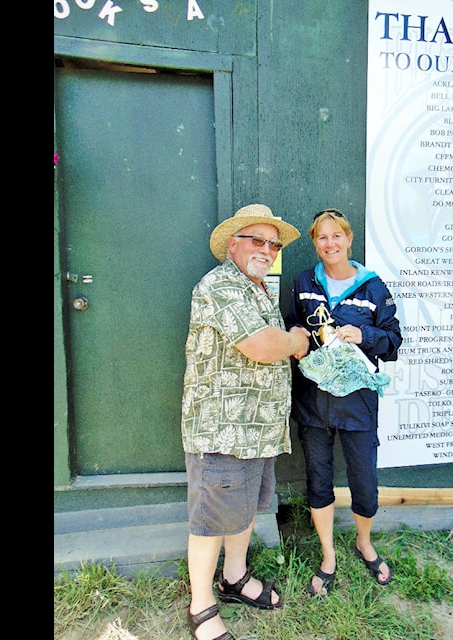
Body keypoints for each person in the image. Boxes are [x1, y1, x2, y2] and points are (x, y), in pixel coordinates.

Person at [181, 204, 311, 640]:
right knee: (212, 521)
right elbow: (259, 344)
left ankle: (233, 578)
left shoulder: (256, 289)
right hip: (225, 431)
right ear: (232, 244)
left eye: (273, 244)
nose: (268, 250)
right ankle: (201, 608)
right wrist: (296, 340)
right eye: (258, 240)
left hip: (258, 430)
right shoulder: (220, 285)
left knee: (246, 512)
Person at [286, 208, 403, 597]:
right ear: (315, 243)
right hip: (314, 400)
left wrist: (364, 334)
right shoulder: (304, 282)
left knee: (364, 482)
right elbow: (292, 324)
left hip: (358, 402)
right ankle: (328, 555)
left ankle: (365, 543)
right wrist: (296, 336)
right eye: (322, 237)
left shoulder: (372, 287)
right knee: (319, 480)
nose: (330, 243)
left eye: (337, 236)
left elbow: (393, 341)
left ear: (349, 239)